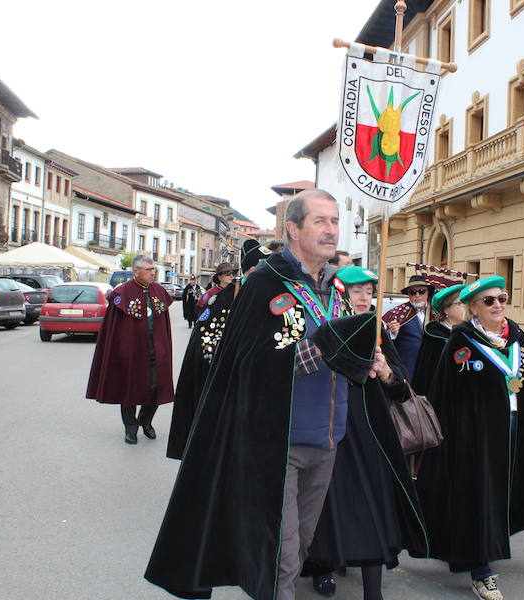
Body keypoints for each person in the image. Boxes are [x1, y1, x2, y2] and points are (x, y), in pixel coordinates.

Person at [145, 189, 377, 600]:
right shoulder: (264, 284)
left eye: (335, 221)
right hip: (277, 445)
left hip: (328, 442)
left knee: (301, 548)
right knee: (281, 559)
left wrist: (366, 357)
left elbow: (343, 362)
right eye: (320, 221)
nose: (331, 230)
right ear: (292, 229)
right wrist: (324, 345)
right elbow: (251, 368)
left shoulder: (337, 290)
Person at [413, 275, 524, 600]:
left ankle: (487, 544)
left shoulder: (517, 338)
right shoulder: (461, 343)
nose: (498, 305)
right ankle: (481, 570)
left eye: (502, 298)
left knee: (502, 493)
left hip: (515, 429)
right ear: (473, 308)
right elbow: (445, 396)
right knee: (478, 496)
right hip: (474, 438)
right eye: (489, 301)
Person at [305, 266, 428, 600]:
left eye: (369, 292)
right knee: (328, 505)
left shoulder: (376, 330)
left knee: (373, 508)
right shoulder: (328, 327)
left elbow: (401, 390)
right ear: (342, 293)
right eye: (357, 291)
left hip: (372, 435)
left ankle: (373, 592)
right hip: (331, 430)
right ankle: (322, 567)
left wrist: (386, 372)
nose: (364, 298)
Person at [167, 241, 271, 460]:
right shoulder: (225, 298)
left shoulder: (272, 297)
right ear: (249, 271)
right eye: (260, 270)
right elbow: (205, 344)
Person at [86, 254, 174, 444]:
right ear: (136, 271)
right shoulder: (122, 294)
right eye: (149, 270)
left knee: (155, 388)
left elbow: (164, 324)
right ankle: (130, 427)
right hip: (132, 351)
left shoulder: (159, 290)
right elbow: (113, 329)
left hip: (156, 350)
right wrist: (120, 351)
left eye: (153, 269)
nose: (153, 273)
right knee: (129, 390)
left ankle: (146, 421)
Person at [411, 283, 465, 395]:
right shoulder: (435, 337)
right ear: (446, 310)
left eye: (467, 303)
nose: (465, 307)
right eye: (460, 303)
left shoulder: (469, 334)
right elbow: (425, 378)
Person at [385, 275, 435, 381]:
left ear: (428, 293)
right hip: (408, 371)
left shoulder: (436, 313)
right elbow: (384, 341)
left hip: (431, 370)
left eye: (421, 291)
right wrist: (393, 333)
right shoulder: (398, 313)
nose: (417, 295)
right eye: (412, 292)